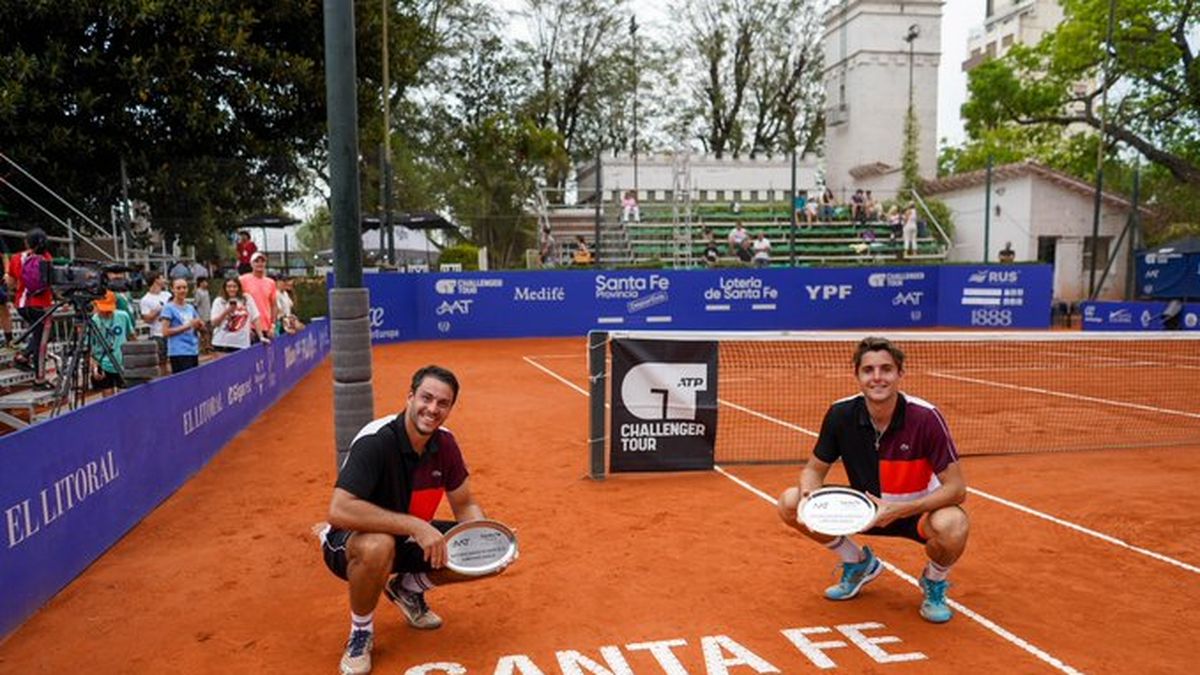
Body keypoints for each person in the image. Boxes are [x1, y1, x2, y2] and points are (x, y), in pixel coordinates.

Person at [319, 366, 510, 675]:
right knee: (378, 546)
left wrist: (486, 535)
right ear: (410, 397)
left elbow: (465, 504)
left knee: (490, 552)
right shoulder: (377, 440)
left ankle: (408, 588)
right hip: (352, 540)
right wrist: (416, 526)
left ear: (450, 408)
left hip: (408, 537)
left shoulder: (445, 444)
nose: (432, 409)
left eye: (442, 403)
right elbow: (339, 510)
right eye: (426, 398)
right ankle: (361, 632)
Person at [776, 337, 969, 624]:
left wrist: (899, 510)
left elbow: (956, 489)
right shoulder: (841, 414)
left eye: (886, 369)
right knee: (791, 502)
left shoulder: (926, 418)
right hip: (863, 511)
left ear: (900, 374)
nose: (877, 377)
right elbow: (813, 471)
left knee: (954, 524)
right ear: (857, 375)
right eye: (868, 370)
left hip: (916, 514)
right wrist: (809, 498)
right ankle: (858, 563)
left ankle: (934, 580)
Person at [6, 228, 55, 389]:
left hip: (21, 304)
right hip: (41, 304)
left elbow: (11, 283)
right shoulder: (46, 257)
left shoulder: (16, 258)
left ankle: (24, 356)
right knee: (42, 341)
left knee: (37, 335)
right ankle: (39, 378)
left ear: (27, 242)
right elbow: (50, 282)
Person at [89, 291, 135, 393]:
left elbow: (131, 336)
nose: (106, 312)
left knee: (123, 394)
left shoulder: (123, 316)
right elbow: (91, 346)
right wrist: (94, 367)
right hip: (103, 363)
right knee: (107, 394)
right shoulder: (94, 321)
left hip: (122, 362)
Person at [210, 277, 267, 352]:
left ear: (239, 287)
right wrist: (227, 311)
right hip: (222, 343)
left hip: (242, 344)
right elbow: (214, 323)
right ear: (225, 288)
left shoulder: (247, 299)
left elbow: (256, 318)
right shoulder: (219, 301)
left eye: (234, 286)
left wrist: (261, 336)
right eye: (229, 287)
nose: (232, 289)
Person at [159, 278, 203, 373]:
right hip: (178, 351)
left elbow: (198, 325)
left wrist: (199, 325)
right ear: (172, 289)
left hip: (192, 350)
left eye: (184, 287)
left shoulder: (190, 307)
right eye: (178, 288)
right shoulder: (168, 308)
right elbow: (165, 331)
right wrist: (187, 326)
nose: (182, 290)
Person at [139, 271, 172, 375]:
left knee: (173, 360)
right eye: (162, 278)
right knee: (161, 362)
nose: (164, 280)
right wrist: (158, 310)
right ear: (156, 280)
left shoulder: (167, 294)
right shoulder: (145, 299)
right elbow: (147, 319)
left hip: (172, 332)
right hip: (158, 334)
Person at [240, 251, 278, 338]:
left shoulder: (271, 282)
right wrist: (244, 326)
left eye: (262, 261)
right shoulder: (242, 280)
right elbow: (239, 303)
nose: (259, 264)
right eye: (256, 261)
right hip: (249, 328)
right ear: (251, 264)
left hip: (266, 328)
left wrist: (273, 326)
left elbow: (274, 305)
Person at [194, 277, 212, 352]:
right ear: (201, 283)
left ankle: (207, 346)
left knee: (208, 331)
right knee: (203, 331)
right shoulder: (198, 292)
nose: (206, 283)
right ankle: (203, 347)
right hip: (202, 315)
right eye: (204, 282)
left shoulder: (206, 291)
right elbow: (196, 304)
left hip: (208, 314)